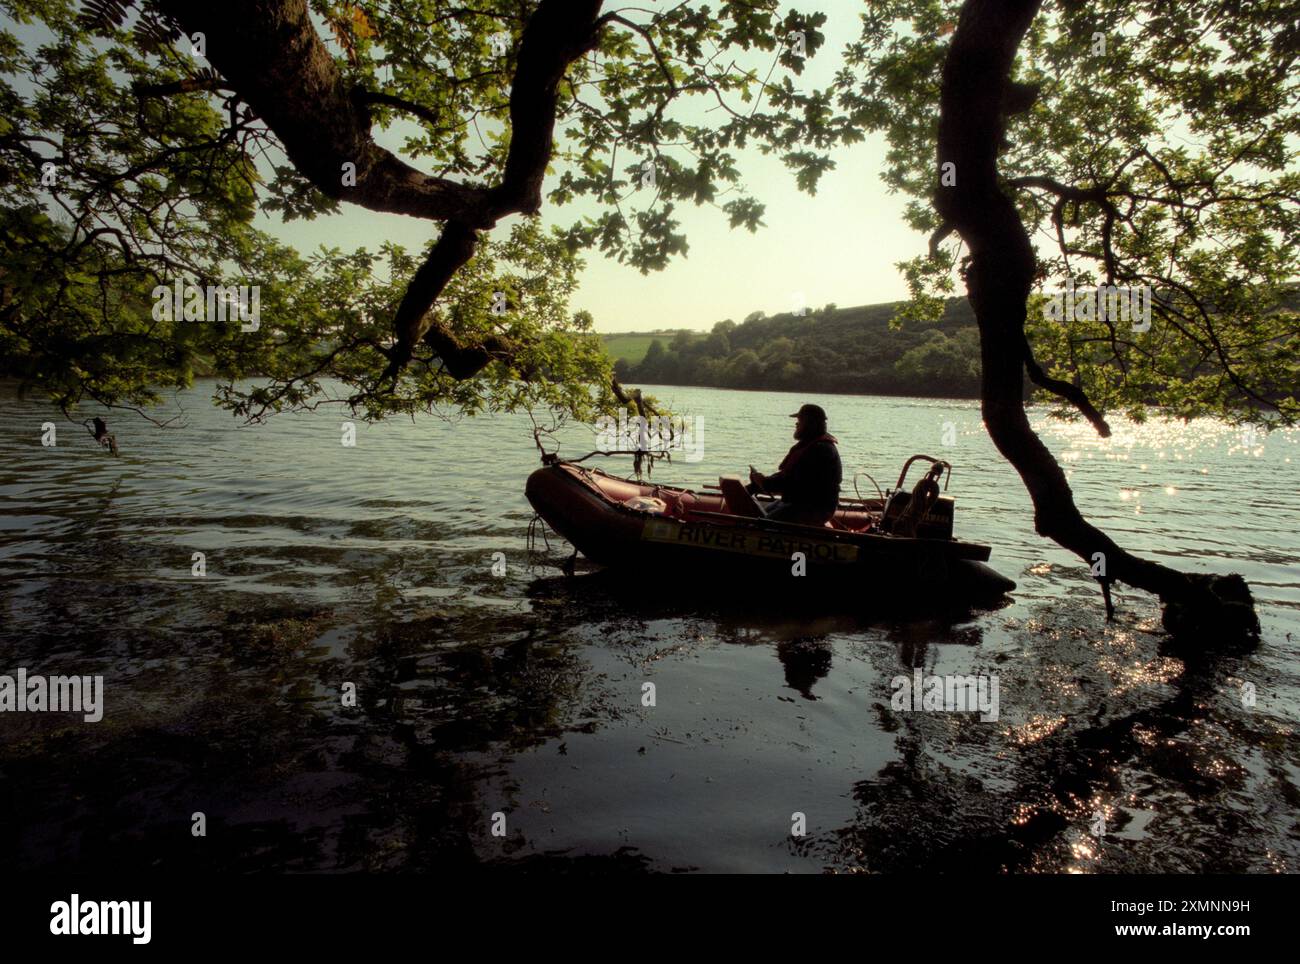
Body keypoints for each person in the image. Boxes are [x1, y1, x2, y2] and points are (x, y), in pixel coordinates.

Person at [747, 403, 842, 525]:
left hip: (812, 508)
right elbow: (788, 475)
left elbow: (794, 483)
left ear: (810, 424)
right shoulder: (811, 445)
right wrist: (764, 481)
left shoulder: (820, 451)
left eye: (800, 421)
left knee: (760, 525)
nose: (796, 424)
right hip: (800, 502)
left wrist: (765, 483)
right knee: (761, 513)